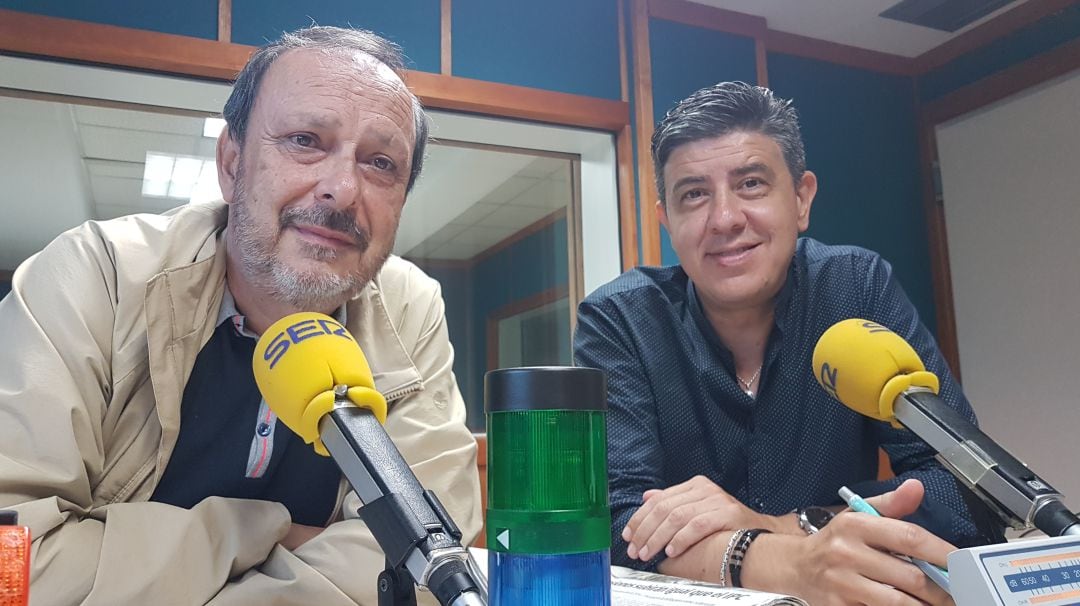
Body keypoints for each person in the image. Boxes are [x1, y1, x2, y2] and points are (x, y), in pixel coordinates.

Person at [0, 26, 480, 605]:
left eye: (381, 163)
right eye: (305, 139)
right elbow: (17, 564)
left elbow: (430, 566)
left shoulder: (410, 306)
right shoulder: (94, 274)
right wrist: (257, 534)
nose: (342, 189)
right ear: (231, 163)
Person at [574, 81, 1004, 605]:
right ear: (668, 221)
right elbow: (615, 523)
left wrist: (783, 524)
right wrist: (784, 560)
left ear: (801, 200)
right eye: (693, 194)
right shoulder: (620, 318)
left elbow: (968, 486)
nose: (726, 218)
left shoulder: (855, 286)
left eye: (751, 183)